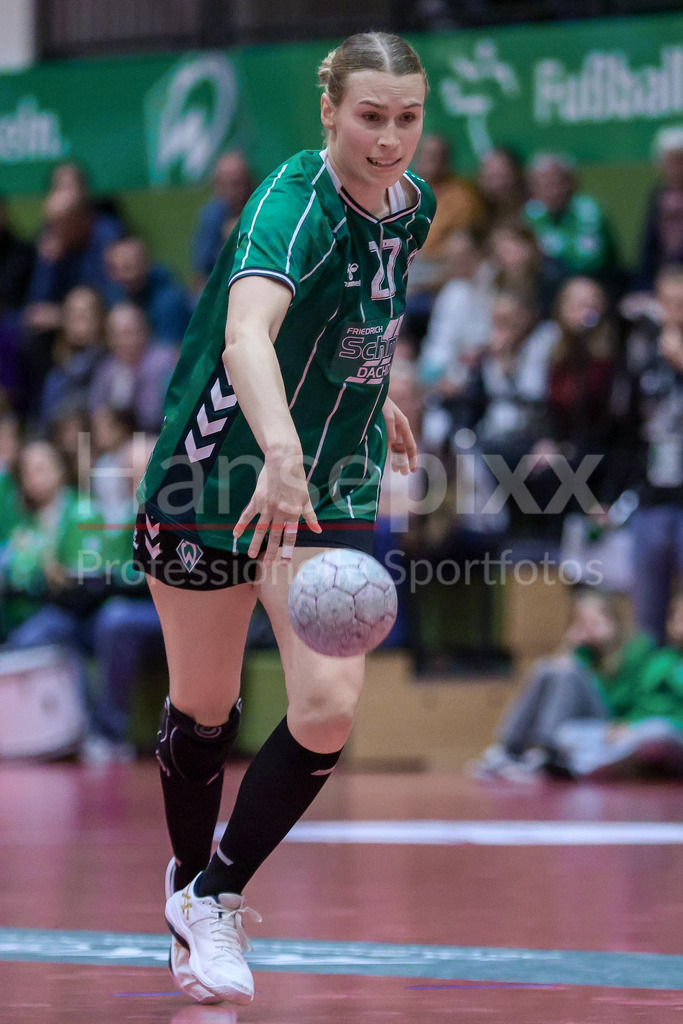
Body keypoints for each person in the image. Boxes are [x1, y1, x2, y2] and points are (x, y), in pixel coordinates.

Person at [134, 32, 431, 1007]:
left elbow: (360, 318)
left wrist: (369, 393)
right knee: (205, 709)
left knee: (329, 702)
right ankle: (186, 881)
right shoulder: (288, 203)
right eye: (369, 117)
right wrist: (279, 446)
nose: (388, 140)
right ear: (328, 112)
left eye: (406, 118)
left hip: (326, 479)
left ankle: (213, 896)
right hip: (215, 473)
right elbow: (247, 336)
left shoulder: (411, 207)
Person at [470, 590, 654, 781]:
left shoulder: (636, 648)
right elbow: (558, 673)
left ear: (613, 618)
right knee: (544, 667)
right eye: (583, 622)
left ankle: (545, 751)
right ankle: (508, 748)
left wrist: (630, 724)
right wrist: (570, 643)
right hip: (581, 723)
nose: (589, 628)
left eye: (595, 620)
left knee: (568, 670)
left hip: (613, 722)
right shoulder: (584, 651)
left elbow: (648, 695)